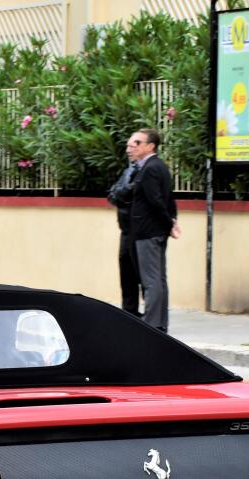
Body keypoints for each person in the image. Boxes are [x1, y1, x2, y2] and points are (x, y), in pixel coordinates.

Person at [125, 128, 181, 332]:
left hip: (148, 231)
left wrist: (169, 223)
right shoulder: (157, 166)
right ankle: (159, 323)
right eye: (130, 144)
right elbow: (168, 198)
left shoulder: (150, 168)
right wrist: (171, 221)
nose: (131, 147)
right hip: (155, 229)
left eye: (137, 143)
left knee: (151, 280)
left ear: (150, 146)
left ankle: (152, 324)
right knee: (158, 279)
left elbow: (156, 201)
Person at [107, 159, 141, 315]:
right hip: (125, 230)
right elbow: (112, 195)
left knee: (142, 272)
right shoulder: (128, 171)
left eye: (133, 146)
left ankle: (150, 313)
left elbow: (127, 194)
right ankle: (129, 310)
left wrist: (123, 192)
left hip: (139, 230)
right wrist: (124, 192)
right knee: (126, 272)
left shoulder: (145, 171)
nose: (129, 150)